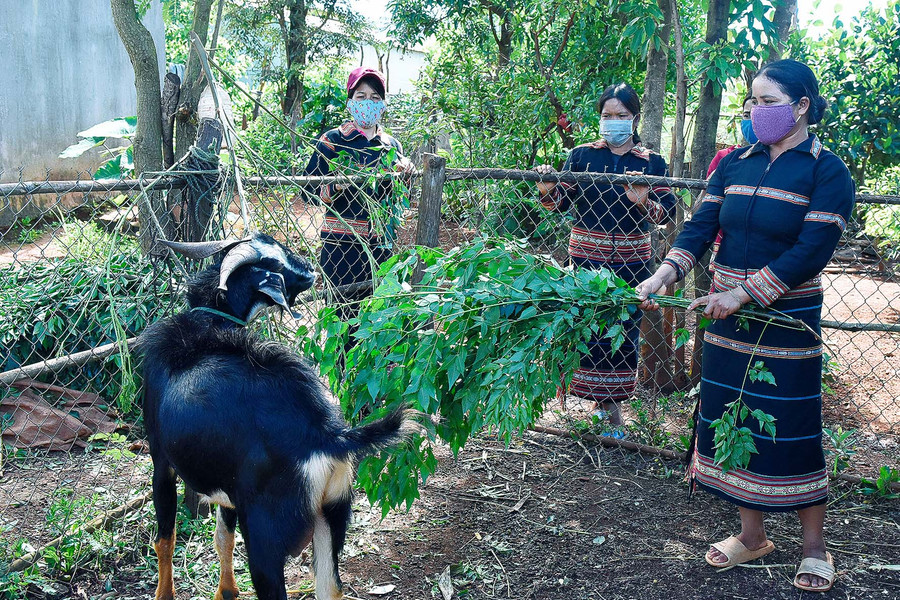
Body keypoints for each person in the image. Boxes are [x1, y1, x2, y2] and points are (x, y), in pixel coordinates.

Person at [636, 59, 854, 593]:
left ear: (801, 107)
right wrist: (663, 275)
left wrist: (744, 293)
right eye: (751, 102)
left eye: (767, 102)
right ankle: (751, 536)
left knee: (792, 424)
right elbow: (700, 228)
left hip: (784, 319)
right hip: (725, 319)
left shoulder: (828, 172)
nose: (755, 112)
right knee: (733, 419)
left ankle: (815, 548)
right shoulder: (733, 163)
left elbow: (811, 251)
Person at [534, 82, 677, 434]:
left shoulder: (651, 162)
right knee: (588, 328)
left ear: (635, 118)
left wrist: (643, 201)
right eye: (607, 116)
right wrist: (546, 190)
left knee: (623, 332)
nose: (613, 122)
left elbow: (668, 213)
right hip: (586, 260)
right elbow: (560, 203)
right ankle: (596, 405)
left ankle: (612, 410)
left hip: (632, 264)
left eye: (621, 116)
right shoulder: (583, 155)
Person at [304, 67, 414, 331]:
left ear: (383, 104)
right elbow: (307, 191)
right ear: (350, 102)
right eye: (361, 96)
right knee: (342, 323)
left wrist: (405, 175)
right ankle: (341, 372)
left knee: (375, 322)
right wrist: (335, 184)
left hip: (380, 248)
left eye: (375, 98)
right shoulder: (332, 140)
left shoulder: (391, 146)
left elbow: (398, 199)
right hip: (340, 247)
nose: (368, 103)